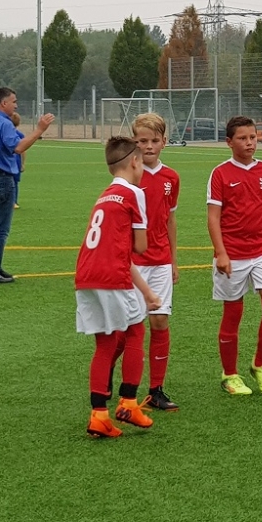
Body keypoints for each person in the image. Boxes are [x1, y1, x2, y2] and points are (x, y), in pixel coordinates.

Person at [75, 136, 162, 438]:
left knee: (105, 344)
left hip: (86, 276)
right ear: (135, 162)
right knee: (136, 331)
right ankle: (128, 403)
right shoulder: (133, 193)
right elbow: (140, 247)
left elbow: (120, 252)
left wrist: (147, 293)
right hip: (112, 276)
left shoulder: (104, 196)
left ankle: (99, 415)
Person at [208, 116, 262, 397]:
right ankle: (230, 375)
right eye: (242, 138)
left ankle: (260, 365)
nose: (250, 142)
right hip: (233, 253)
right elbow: (213, 217)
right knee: (233, 313)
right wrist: (221, 253)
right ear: (229, 142)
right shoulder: (220, 174)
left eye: (253, 137)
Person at [0, 87, 54, 284]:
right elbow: (18, 147)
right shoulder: (4, 123)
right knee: (0, 228)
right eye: (14, 101)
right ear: (4, 103)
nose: (16, 105)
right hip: (1, 178)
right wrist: (40, 130)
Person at [131, 113, 181, 410]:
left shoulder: (171, 178)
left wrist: (173, 260)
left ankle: (155, 390)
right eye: (142, 141)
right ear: (134, 142)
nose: (148, 146)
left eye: (154, 140)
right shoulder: (128, 175)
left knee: (159, 321)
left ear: (164, 142)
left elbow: (170, 219)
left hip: (160, 260)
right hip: (133, 263)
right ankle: (122, 387)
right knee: (130, 327)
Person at [10, 112, 25, 209]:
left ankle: (9, 201)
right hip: (16, 161)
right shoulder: (20, 135)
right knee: (14, 183)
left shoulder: (4, 132)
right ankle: (14, 201)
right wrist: (23, 163)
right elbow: (23, 150)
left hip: (6, 161)